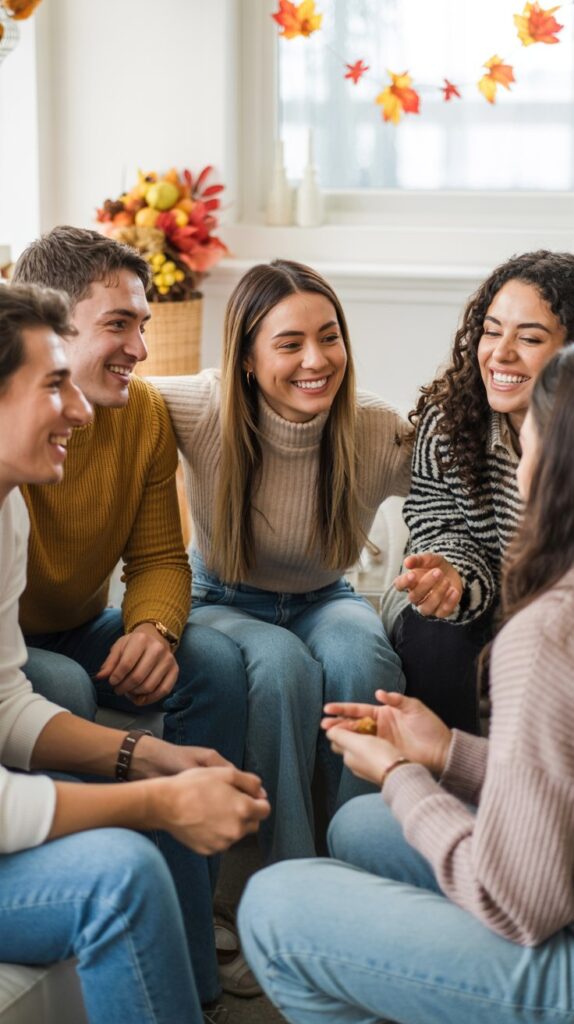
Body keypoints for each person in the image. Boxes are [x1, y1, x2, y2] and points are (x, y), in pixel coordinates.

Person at [238, 342, 574, 1024]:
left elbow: (522, 903)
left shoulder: (546, 632)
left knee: (277, 903)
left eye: (529, 439)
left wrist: (399, 774)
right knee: (362, 822)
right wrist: (450, 751)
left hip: (547, 937)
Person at [0, 282, 270, 1024]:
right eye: (53, 385)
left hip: (77, 630)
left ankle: (194, 966)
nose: (82, 412)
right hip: (43, 649)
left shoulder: (3, 513)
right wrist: (154, 799)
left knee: (206, 664)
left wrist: (148, 758)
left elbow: (3, 706)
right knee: (120, 872)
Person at [153, 259, 412, 862]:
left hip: (326, 598)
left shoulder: (375, 427)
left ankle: (360, 856)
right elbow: (102, 392)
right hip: (220, 598)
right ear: (246, 357)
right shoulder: (203, 406)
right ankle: (285, 871)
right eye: (289, 344)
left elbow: (457, 482)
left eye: (329, 337)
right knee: (279, 665)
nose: (316, 361)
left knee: (361, 653)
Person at [382, 249, 574, 733]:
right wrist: (451, 577)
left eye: (529, 338)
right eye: (491, 331)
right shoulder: (450, 425)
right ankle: (451, 787)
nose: (500, 353)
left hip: (552, 619)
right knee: (440, 638)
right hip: (462, 608)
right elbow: (437, 525)